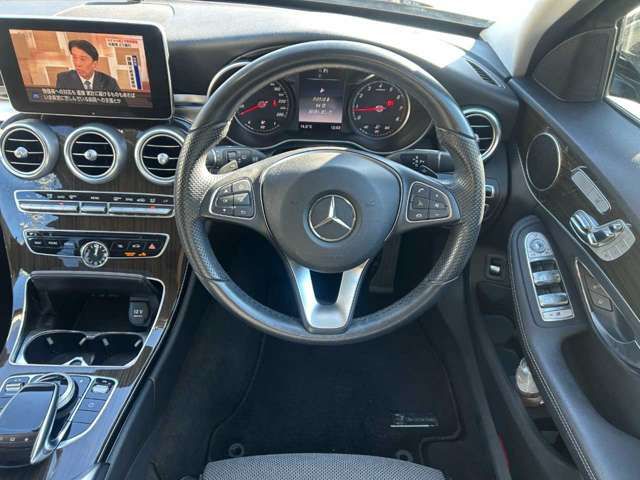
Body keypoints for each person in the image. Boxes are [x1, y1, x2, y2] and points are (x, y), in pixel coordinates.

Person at [56, 40, 120, 92]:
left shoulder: (109, 82)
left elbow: (120, 103)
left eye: (83, 59)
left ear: (94, 64)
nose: (77, 64)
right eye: (74, 57)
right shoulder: (63, 79)